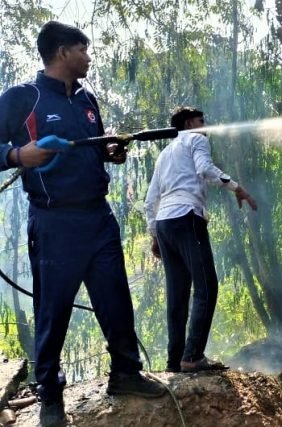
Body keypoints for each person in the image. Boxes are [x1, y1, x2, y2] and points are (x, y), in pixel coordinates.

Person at [0, 21, 166, 427]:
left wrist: (109, 151)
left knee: (115, 298)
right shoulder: (25, 98)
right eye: (83, 49)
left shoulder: (88, 99)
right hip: (54, 221)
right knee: (53, 309)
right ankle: (51, 397)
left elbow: (92, 146)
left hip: (98, 216)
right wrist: (17, 155)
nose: (88, 57)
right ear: (62, 52)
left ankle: (125, 373)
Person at [144, 106, 257, 373]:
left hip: (164, 224)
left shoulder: (165, 154)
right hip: (187, 217)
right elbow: (205, 169)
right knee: (206, 287)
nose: (206, 126)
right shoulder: (196, 139)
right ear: (188, 123)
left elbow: (150, 201)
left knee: (177, 294)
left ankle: (174, 362)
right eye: (201, 121)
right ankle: (192, 356)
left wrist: (154, 235)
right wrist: (236, 187)